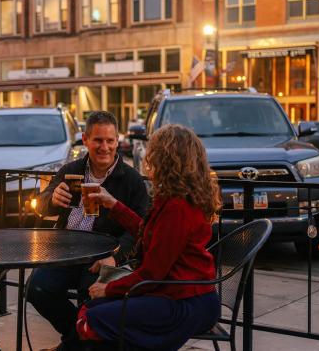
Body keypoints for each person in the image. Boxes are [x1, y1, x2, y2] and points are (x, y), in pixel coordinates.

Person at [77, 124, 222, 350]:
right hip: (177, 292)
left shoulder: (177, 207)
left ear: (165, 158)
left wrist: (109, 288)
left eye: (151, 151)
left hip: (185, 302)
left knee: (94, 318)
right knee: (96, 310)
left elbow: (152, 272)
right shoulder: (175, 198)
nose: (146, 155)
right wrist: (114, 205)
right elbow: (149, 236)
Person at [27, 110, 149, 351]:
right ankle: (78, 342)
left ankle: (75, 345)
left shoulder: (131, 180)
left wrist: (115, 257)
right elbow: (40, 205)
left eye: (110, 140)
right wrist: (51, 199)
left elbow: (140, 228)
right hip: (65, 251)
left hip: (100, 256)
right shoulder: (71, 170)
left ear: (117, 141)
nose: (105, 147)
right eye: (98, 140)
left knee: (91, 295)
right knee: (36, 289)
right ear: (85, 140)